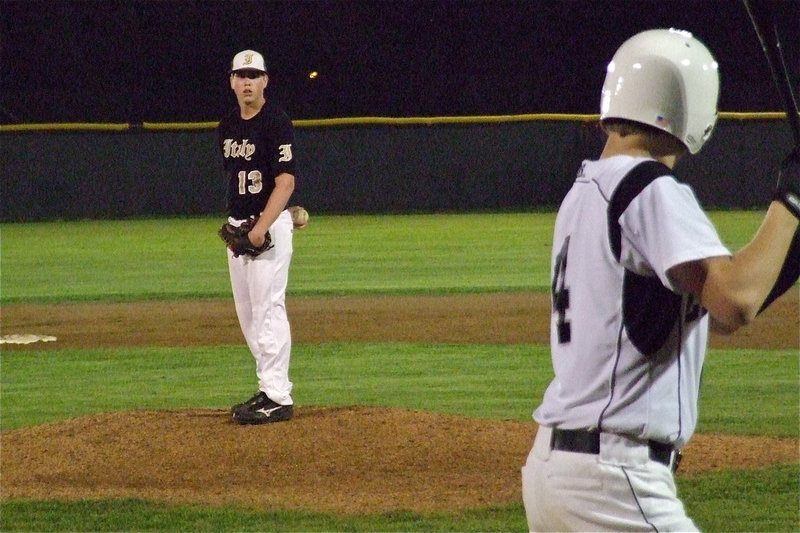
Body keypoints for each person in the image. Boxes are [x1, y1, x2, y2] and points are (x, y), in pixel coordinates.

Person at [521, 28, 799, 531]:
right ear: (694, 107)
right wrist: (792, 197)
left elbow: (710, 309)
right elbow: (735, 300)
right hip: (612, 482)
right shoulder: (648, 187)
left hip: (564, 471)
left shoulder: (588, 190)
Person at [217, 49, 298, 425]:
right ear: (232, 81)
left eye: (254, 75)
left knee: (268, 309)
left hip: (265, 230)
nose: (247, 81)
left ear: (265, 80)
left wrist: (263, 226)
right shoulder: (228, 126)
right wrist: (240, 225)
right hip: (240, 227)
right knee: (249, 315)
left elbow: (285, 180)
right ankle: (268, 387)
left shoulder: (276, 122)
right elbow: (237, 180)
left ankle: (278, 396)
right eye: (241, 75)